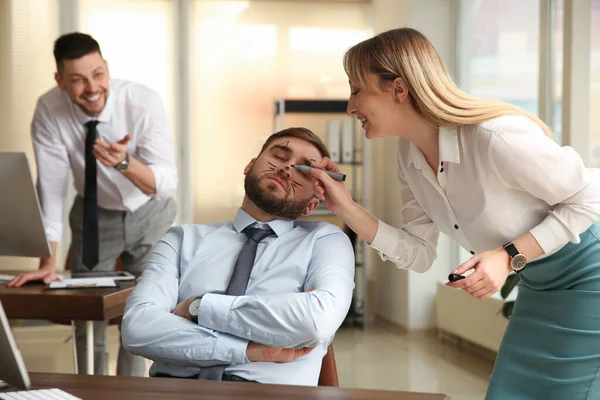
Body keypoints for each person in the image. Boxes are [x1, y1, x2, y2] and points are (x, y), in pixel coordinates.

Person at [307, 27, 600, 399]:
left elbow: (591, 195)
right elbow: (419, 252)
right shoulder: (408, 155)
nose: (350, 107)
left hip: (590, 279)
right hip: (540, 286)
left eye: (355, 89)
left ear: (398, 88)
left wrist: (509, 256)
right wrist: (344, 207)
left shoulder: (494, 137)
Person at [121, 127, 354, 386]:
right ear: (250, 166)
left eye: (303, 169)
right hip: (175, 390)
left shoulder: (325, 241)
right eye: (279, 155)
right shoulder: (181, 239)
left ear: (311, 205)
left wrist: (199, 307)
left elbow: (315, 322)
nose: (287, 168)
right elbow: (137, 328)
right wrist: (250, 350)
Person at [7, 32, 178, 377]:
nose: (92, 87)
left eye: (98, 74)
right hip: (93, 216)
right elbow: (51, 188)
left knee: (141, 313)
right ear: (59, 81)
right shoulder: (49, 109)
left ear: (107, 68)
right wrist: (47, 261)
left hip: (150, 213)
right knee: (88, 314)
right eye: (78, 79)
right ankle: (91, 390)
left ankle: (132, 392)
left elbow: (165, 184)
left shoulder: (142, 102)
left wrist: (124, 164)